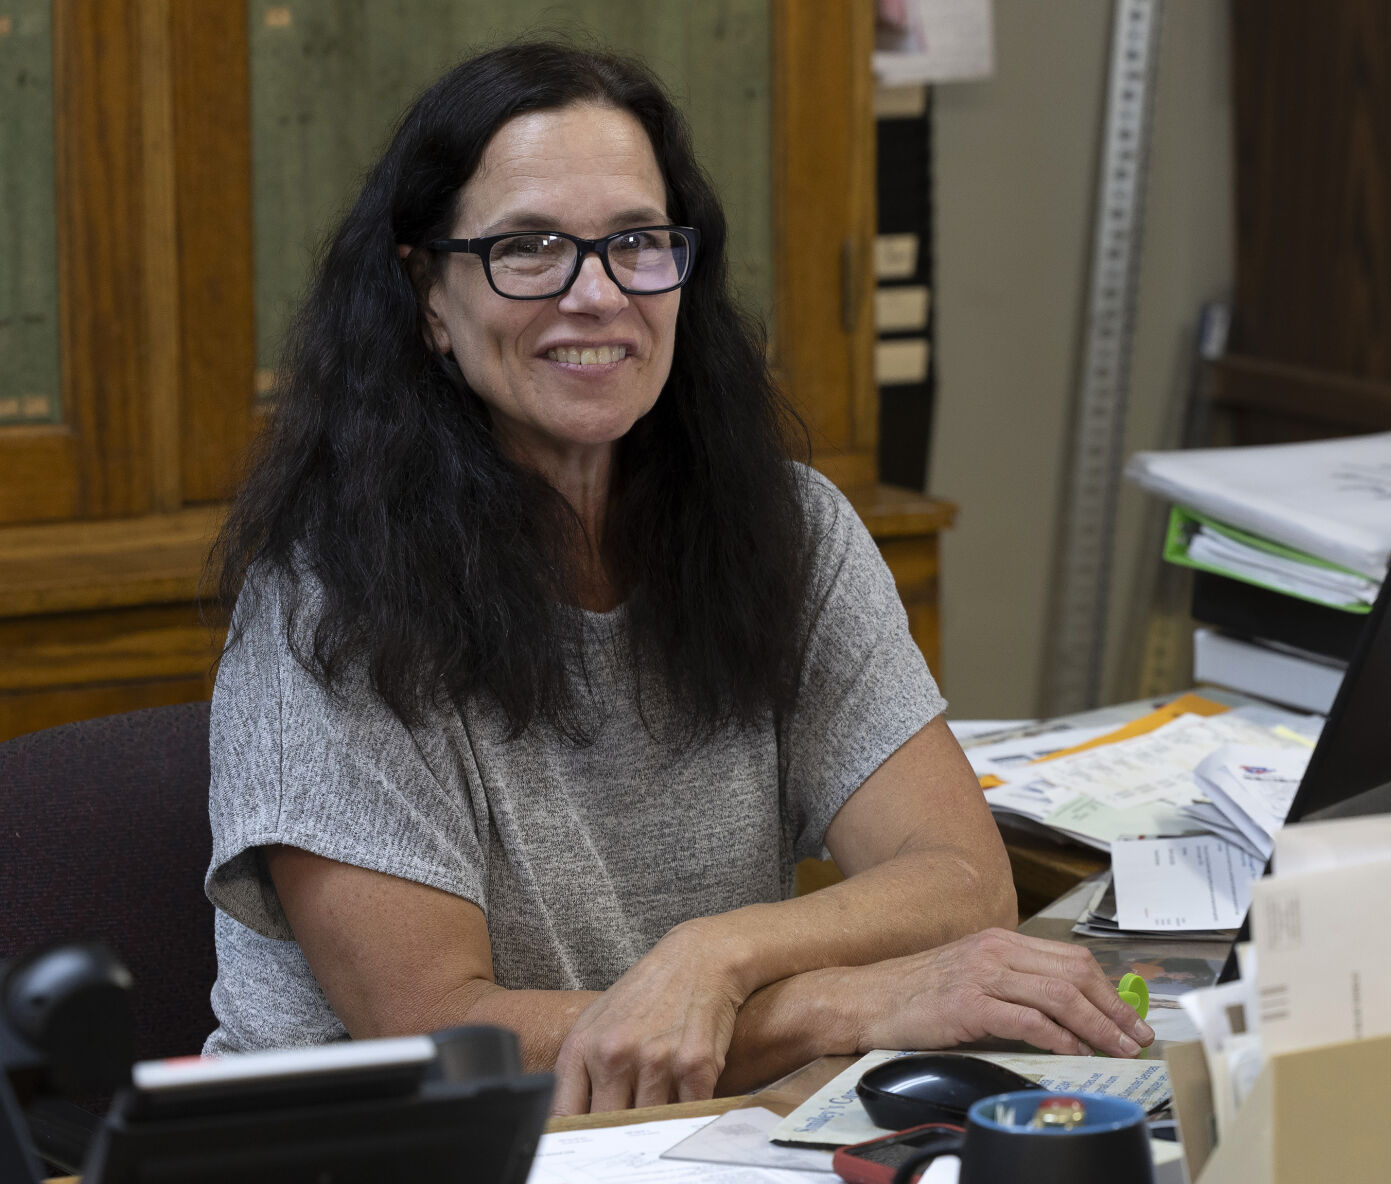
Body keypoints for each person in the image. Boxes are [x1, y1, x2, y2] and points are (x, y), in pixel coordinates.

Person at [203, 40, 1152, 1115]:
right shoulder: (328, 598)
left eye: (637, 243)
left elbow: (962, 878)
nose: (596, 293)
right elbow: (442, 1034)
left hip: (683, 1137)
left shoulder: (789, 529)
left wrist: (714, 952)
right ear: (427, 292)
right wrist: (839, 1003)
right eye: (528, 248)